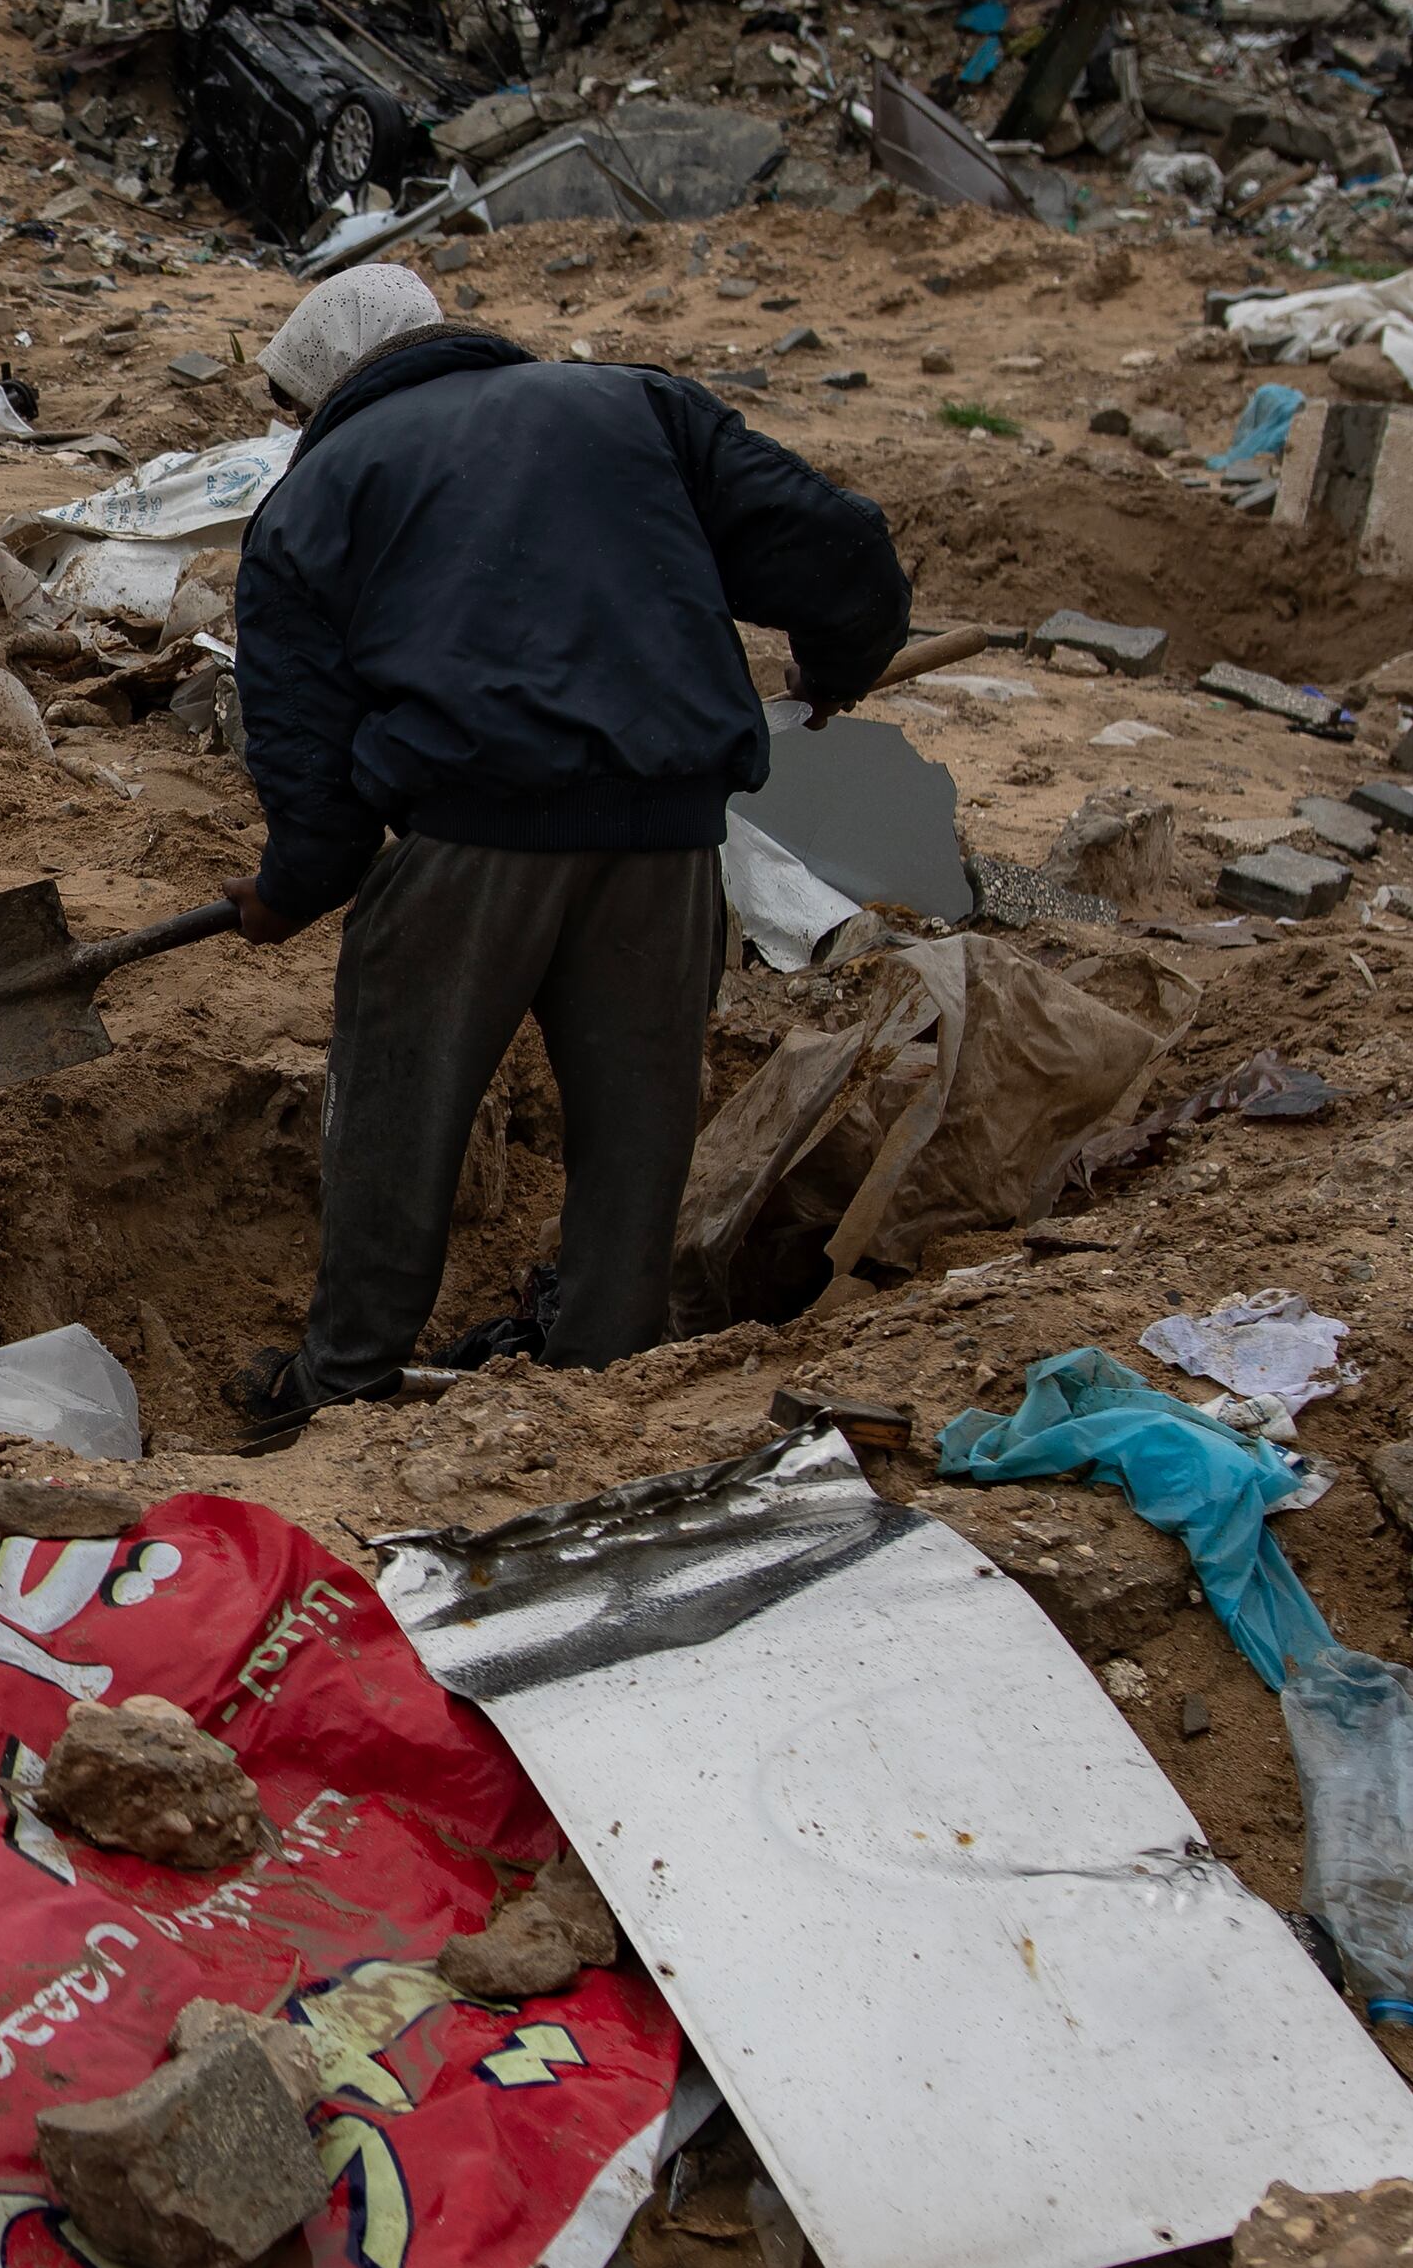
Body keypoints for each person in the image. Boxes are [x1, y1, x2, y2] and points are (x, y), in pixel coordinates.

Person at [224, 261, 910, 1425]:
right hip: (670, 840)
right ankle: (601, 1385)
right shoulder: (636, 405)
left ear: (320, 393)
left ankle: (340, 1387)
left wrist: (293, 886)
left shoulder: (312, 496)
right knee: (635, 1138)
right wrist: (832, 670)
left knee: (396, 1117)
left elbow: (308, 761)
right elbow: (839, 550)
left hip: (469, 842)